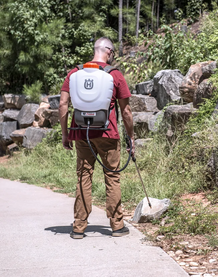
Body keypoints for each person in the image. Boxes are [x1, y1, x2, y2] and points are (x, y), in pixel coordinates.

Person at [59, 37, 135, 239]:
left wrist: (66, 134)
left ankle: (79, 227)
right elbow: (126, 111)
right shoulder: (114, 75)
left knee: (84, 177)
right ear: (109, 51)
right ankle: (117, 226)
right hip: (107, 133)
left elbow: (63, 105)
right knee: (112, 176)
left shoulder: (74, 73)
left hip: (81, 133)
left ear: (96, 50)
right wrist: (131, 138)